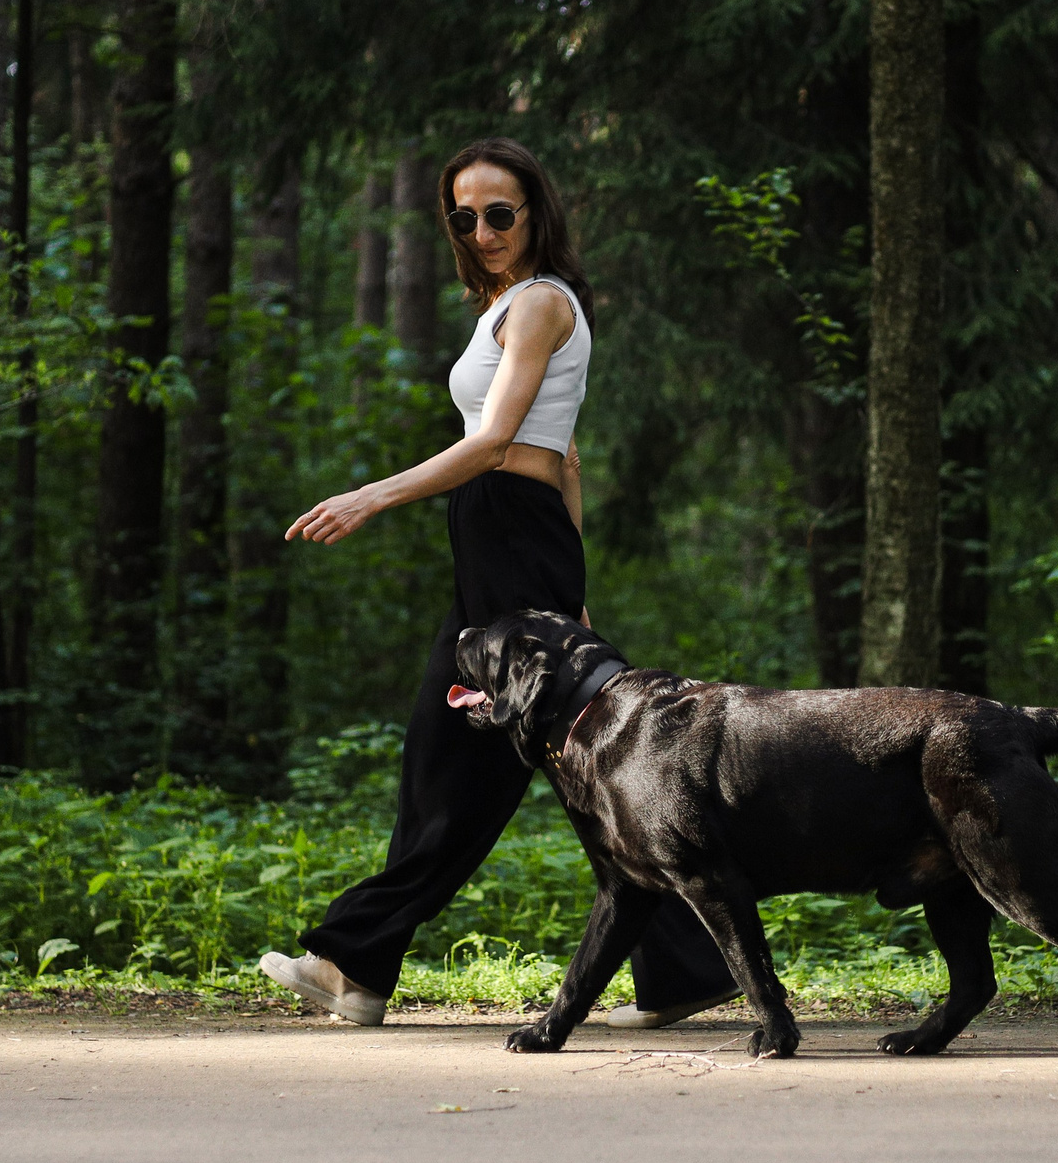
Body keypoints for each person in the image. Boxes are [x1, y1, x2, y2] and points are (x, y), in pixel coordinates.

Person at [260, 137, 739, 1030]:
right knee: (506, 756)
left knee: (489, 761)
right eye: (463, 215)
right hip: (506, 540)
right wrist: (575, 587)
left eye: (499, 212)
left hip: (510, 532)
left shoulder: (543, 304)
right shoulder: (506, 308)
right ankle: (685, 965)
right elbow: (571, 460)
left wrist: (370, 496)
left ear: (535, 212)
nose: (481, 229)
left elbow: (497, 443)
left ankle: (354, 961)